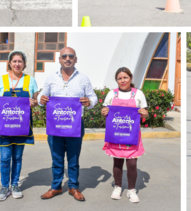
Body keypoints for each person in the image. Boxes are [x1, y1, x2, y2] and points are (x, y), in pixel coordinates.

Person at [39, 47, 97, 202]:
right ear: (59, 59)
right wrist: (41, 99)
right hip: (55, 126)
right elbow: (41, 95)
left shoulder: (83, 78)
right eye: (64, 56)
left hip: (75, 125)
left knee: (73, 158)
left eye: (71, 56)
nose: (67, 58)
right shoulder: (51, 78)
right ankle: (56, 186)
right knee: (56, 158)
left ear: (75, 59)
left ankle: (73, 187)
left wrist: (89, 102)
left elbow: (93, 97)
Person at [0, 51, 38, 201]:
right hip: (5, 124)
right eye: (14, 61)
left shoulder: (31, 80)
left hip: (21, 125)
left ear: (24, 63)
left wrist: (34, 102)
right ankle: (4, 187)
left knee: (17, 156)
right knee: (4, 158)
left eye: (20, 61)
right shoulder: (1, 79)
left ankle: (15, 185)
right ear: (9, 63)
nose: (17, 64)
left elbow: (35, 101)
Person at [100, 67, 149, 203]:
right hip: (115, 134)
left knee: (132, 164)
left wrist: (145, 114)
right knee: (117, 162)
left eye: (125, 77)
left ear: (131, 78)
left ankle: (131, 190)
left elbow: (145, 112)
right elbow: (105, 111)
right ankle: (117, 187)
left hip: (132, 135)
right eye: (119, 78)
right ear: (116, 80)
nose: (123, 81)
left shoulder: (138, 94)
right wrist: (103, 112)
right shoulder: (111, 94)